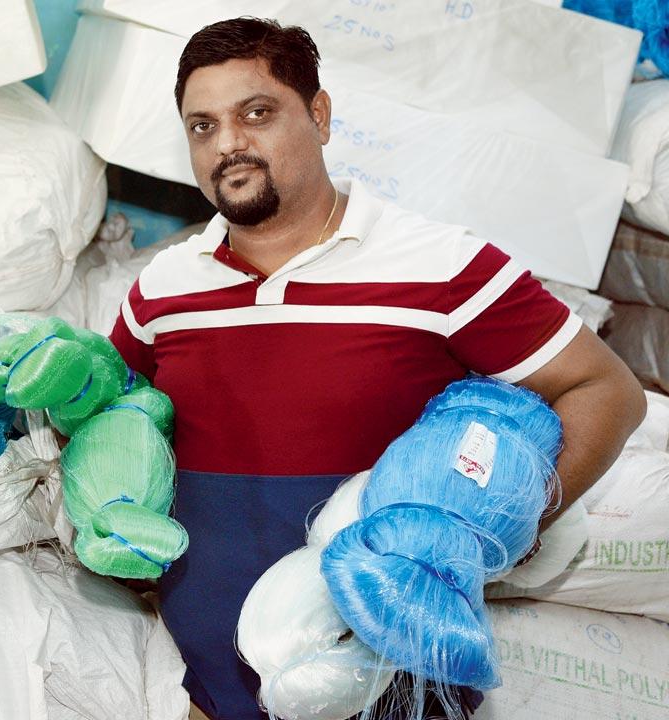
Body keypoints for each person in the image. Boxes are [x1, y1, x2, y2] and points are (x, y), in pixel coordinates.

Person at [106, 17, 647, 720]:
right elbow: (116, 423)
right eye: (202, 127)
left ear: (320, 116)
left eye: (256, 113)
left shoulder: (441, 266)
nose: (229, 143)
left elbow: (607, 391)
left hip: (393, 693)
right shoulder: (165, 289)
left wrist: (507, 522)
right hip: (213, 690)